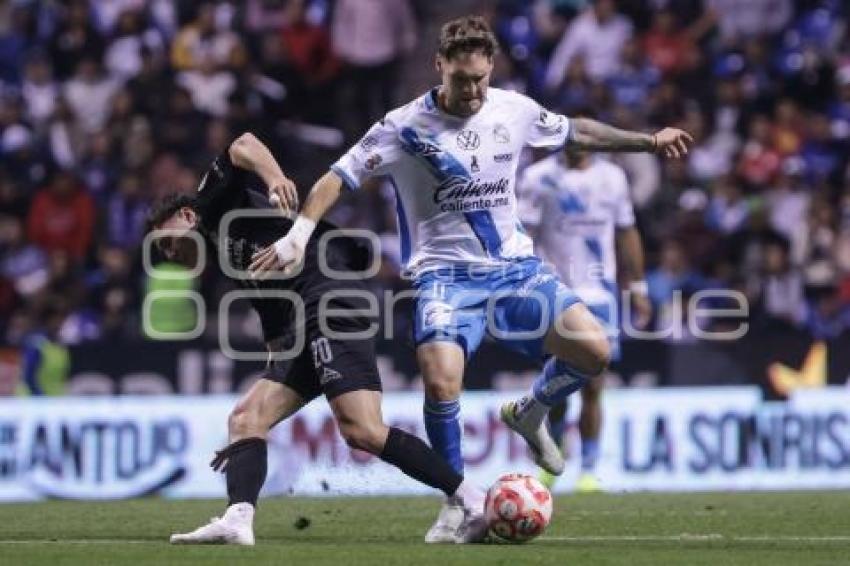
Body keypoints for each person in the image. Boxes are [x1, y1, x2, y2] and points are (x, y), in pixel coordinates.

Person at [248, 15, 692, 542]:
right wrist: (298, 234)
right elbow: (335, 178)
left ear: (492, 68)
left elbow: (579, 130)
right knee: (440, 381)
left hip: (515, 271)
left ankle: (532, 411)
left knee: (594, 352)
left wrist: (647, 141)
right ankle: (456, 502)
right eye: (462, 81)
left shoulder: (515, 110)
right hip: (444, 279)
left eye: (481, 79)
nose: (473, 91)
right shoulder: (402, 127)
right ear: (440, 67)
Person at [156, 133, 486, 546]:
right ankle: (237, 520)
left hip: (332, 298)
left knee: (362, 429)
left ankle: (473, 499)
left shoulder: (210, 205)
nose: (170, 253)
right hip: (306, 318)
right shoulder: (225, 252)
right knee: (246, 419)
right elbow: (270, 304)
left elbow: (242, 145)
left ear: (186, 216)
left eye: (167, 241)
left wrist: (274, 177)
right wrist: (278, 352)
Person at [517, 146, 651, 492]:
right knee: (560, 386)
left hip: (600, 297)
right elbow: (524, 238)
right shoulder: (538, 177)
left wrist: (637, 286)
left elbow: (627, 231)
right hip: (555, 294)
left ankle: (589, 470)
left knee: (594, 385)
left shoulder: (612, 177)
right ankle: (556, 453)